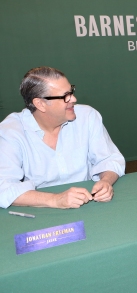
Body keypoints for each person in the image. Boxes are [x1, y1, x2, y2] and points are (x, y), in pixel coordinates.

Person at [0, 67, 125, 209]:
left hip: (90, 204)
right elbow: (3, 187)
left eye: (71, 91)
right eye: (65, 96)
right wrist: (55, 200)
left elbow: (110, 159)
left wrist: (106, 181)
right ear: (40, 104)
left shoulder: (87, 116)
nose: (73, 99)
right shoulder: (10, 131)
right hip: (40, 209)